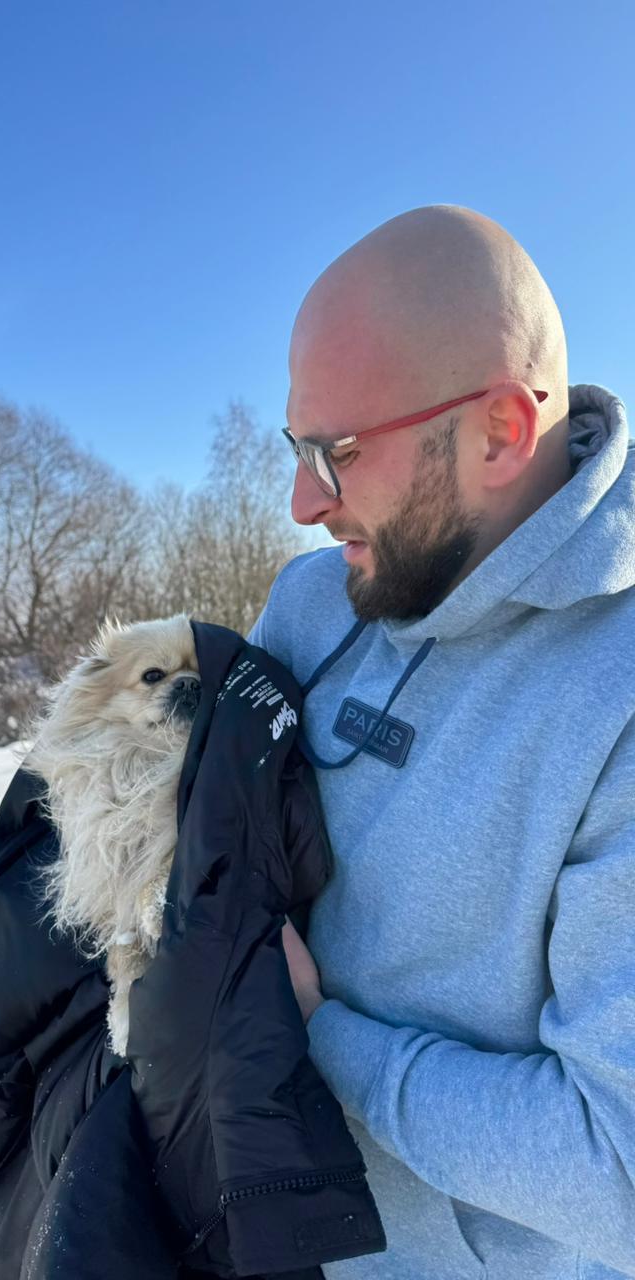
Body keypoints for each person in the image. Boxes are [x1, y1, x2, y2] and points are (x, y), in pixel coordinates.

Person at [251, 204, 635, 1280]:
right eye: (296, 448)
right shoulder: (310, 604)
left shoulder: (618, 697)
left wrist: (322, 1037)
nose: (302, 502)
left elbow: (617, 1167)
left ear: (501, 432)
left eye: (336, 453)